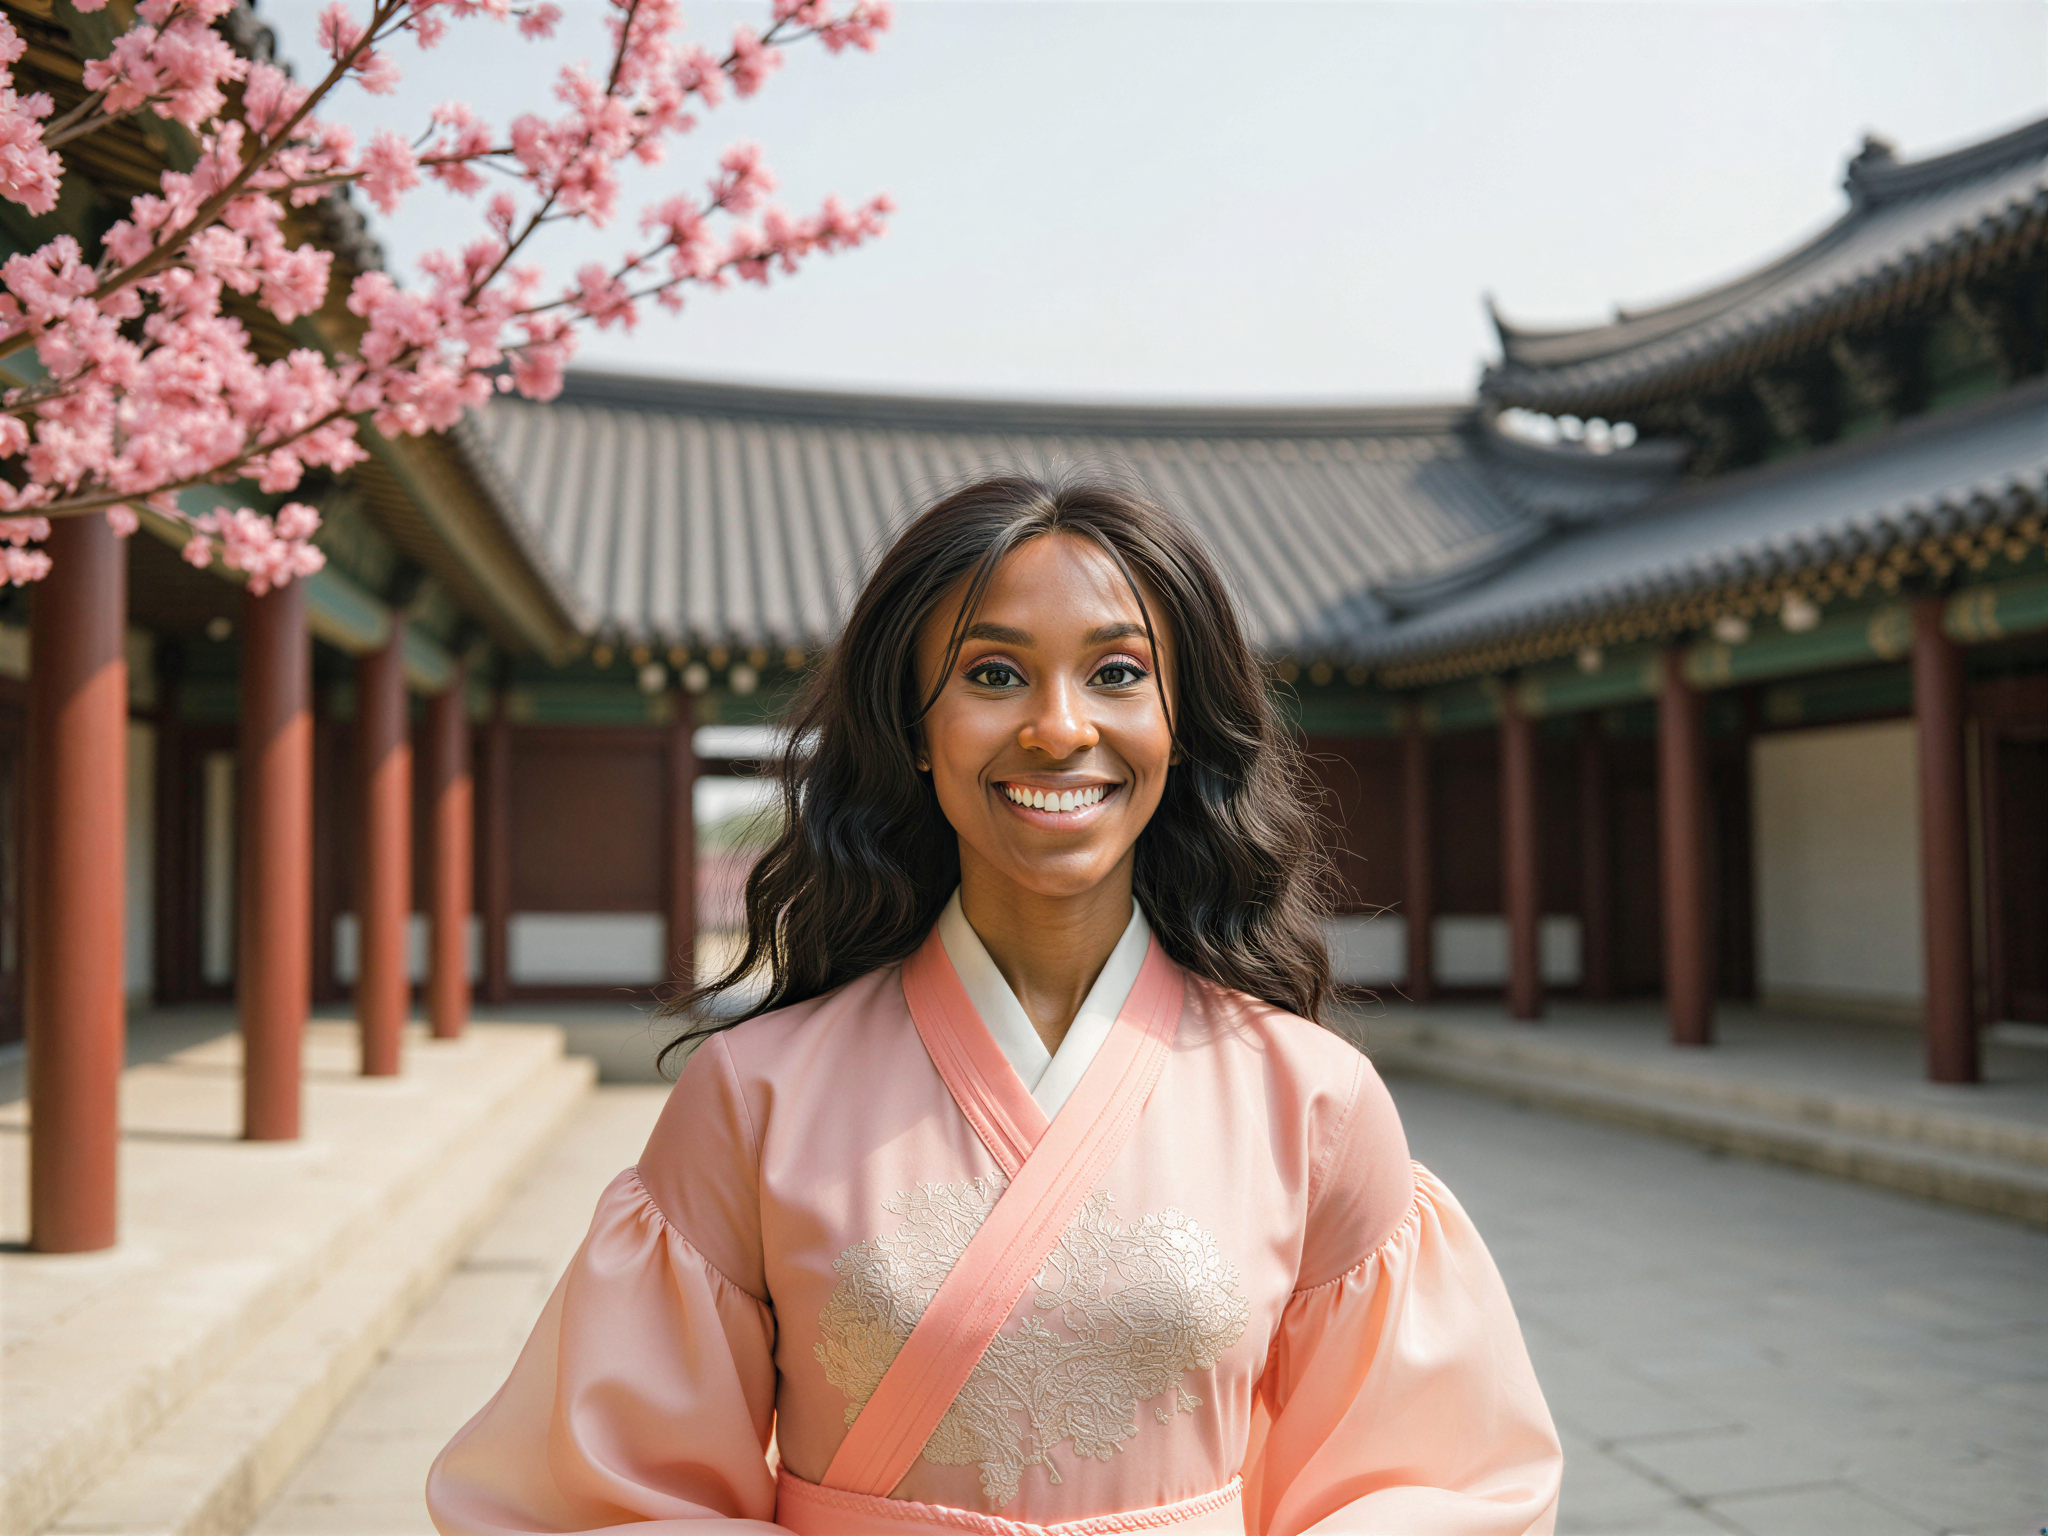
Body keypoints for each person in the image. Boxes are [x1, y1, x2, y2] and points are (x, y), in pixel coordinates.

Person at [426, 474, 1562, 1535]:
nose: (1058, 727)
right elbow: (615, 1492)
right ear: (914, 730)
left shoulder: (1311, 1099)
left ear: (1178, 729)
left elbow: (1423, 1483)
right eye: (992, 673)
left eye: (1117, 674)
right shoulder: (753, 1094)